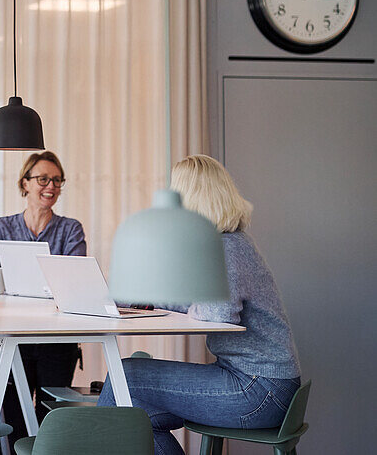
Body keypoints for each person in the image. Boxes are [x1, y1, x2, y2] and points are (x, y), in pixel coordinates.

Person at [98, 154, 301, 455]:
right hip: (257, 383)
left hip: (258, 390)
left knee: (127, 376)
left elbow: (218, 314)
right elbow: (198, 300)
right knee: (134, 410)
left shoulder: (225, 248)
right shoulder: (229, 242)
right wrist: (143, 297)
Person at [0, 150, 85, 442]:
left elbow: (75, 285)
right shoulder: (1, 227)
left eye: (57, 180)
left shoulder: (70, 229)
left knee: (51, 417)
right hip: (12, 337)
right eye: (43, 179)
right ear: (25, 183)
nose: (51, 186)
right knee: (14, 417)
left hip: (57, 340)